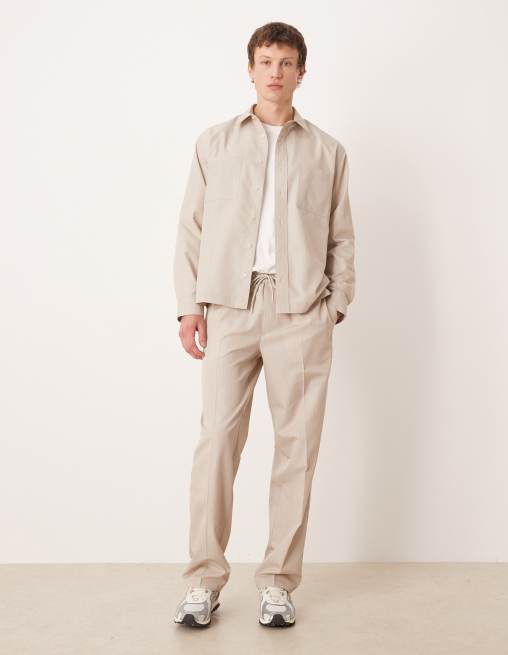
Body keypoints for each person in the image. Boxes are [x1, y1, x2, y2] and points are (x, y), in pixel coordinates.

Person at [172, 21, 355, 628]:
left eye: (286, 62)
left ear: (302, 72)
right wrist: (189, 305)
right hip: (229, 305)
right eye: (266, 61)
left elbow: (341, 236)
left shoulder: (327, 151)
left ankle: (278, 581)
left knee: (296, 448)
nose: (275, 72)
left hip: (300, 311)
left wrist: (335, 305)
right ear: (249, 69)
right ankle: (203, 580)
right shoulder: (214, 143)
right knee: (217, 443)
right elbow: (192, 229)